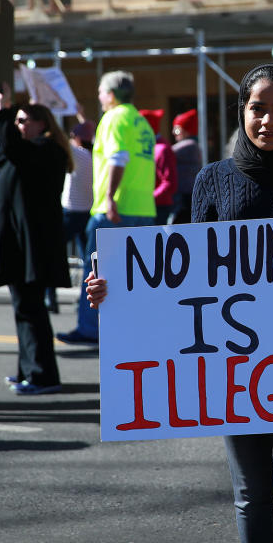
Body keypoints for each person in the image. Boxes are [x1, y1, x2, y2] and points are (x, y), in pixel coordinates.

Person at [85, 63, 273, 543]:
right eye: (258, 109)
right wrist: (116, 291)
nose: (269, 121)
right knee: (249, 497)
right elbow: (179, 278)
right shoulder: (210, 180)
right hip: (234, 370)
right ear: (242, 111)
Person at [0, 88, 72, 395]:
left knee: (31, 310)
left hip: (30, 246)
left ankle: (42, 376)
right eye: (16, 121)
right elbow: (8, 154)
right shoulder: (32, 150)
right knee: (24, 309)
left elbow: (14, 151)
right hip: (20, 245)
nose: (18, 126)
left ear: (41, 124)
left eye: (23, 121)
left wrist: (2, 112)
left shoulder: (45, 149)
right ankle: (28, 369)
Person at [58, 71, 156, 346]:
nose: (99, 97)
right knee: (137, 275)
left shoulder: (113, 118)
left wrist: (110, 197)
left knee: (96, 272)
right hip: (143, 208)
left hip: (114, 209)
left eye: (101, 92)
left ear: (110, 95)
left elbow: (118, 157)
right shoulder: (140, 121)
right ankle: (135, 327)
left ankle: (90, 328)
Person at [45, 119, 95, 314]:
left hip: (71, 212)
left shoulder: (78, 154)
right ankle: (83, 301)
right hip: (87, 212)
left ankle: (50, 297)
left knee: (52, 253)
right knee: (87, 261)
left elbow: (61, 141)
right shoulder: (94, 155)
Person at [140, 109, 179, 225]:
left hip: (159, 207)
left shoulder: (162, 149)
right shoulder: (149, 147)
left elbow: (169, 183)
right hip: (149, 206)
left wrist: (149, 198)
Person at [171, 108, 201, 224]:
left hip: (183, 197)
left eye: (177, 129)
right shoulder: (192, 145)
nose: (173, 132)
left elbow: (163, 153)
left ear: (187, 130)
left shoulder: (189, 145)